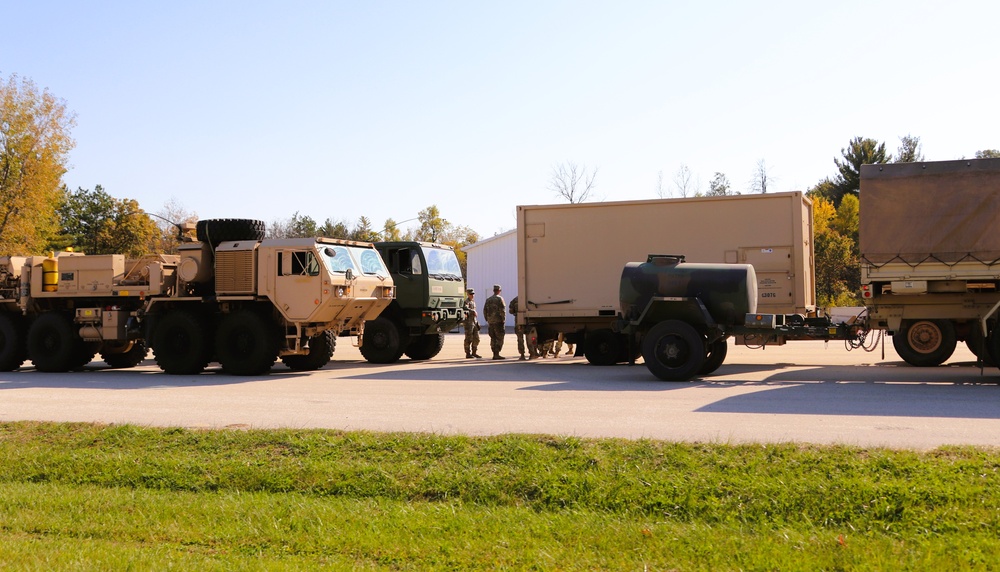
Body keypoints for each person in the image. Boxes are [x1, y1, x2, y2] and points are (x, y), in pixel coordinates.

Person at [509, 296, 539, 360]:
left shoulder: (515, 300)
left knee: (520, 339)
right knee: (531, 338)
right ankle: (532, 354)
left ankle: (522, 355)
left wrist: (516, 313)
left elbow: (511, 311)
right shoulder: (531, 298)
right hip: (530, 321)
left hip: (519, 321)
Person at [482, 284, 507, 359]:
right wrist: (503, 319)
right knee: (500, 337)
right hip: (498, 322)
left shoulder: (488, 299)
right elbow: (502, 310)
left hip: (491, 322)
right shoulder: (500, 299)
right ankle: (497, 353)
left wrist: (487, 319)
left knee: (493, 337)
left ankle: (494, 353)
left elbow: (484, 310)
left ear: (493, 290)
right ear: (499, 291)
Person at [462, 288, 482, 359]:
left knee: (477, 338)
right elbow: (464, 308)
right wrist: (472, 311)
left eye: (473, 294)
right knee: (468, 338)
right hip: (468, 323)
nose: (472, 295)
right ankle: (468, 353)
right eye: (471, 294)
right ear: (467, 294)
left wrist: (476, 322)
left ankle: (474, 352)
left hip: (474, 322)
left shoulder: (473, 302)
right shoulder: (466, 302)